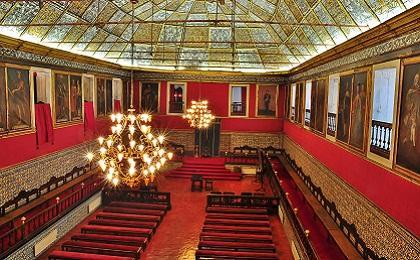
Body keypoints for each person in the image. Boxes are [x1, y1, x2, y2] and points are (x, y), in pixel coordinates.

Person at [403, 72, 420, 149]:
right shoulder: (411, 91)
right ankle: (411, 142)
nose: (417, 81)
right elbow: (407, 103)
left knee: (415, 127)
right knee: (411, 125)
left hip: (418, 112)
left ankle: (414, 143)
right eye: (416, 79)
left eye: (418, 79)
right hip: (412, 112)